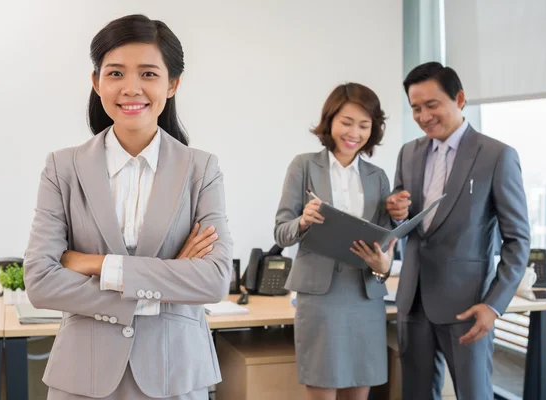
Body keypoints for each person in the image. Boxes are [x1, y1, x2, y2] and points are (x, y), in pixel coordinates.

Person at [23, 14, 233, 399]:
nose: (131, 88)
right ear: (96, 82)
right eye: (116, 73)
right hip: (82, 377)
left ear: (173, 85)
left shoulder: (201, 169)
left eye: (149, 74)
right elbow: (39, 281)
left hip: (176, 374)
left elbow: (214, 279)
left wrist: (97, 265)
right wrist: (168, 279)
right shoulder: (62, 167)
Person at [386, 62, 530, 399]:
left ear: (460, 99)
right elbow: (400, 223)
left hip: (468, 304)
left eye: (431, 105)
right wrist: (395, 214)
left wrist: (493, 305)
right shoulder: (408, 153)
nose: (423, 116)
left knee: (473, 393)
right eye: (416, 108)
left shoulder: (497, 155)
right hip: (413, 299)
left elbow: (517, 239)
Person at [275, 82, 397, 400]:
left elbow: (386, 242)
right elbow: (280, 231)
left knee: (360, 388)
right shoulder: (304, 166)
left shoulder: (378, 177)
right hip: (320, 296)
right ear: (330, 120)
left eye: (364, 125)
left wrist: (384, 266)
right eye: (346, 122)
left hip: (365, 295)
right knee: (323, 386)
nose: (353, 133)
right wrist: (302, 222)